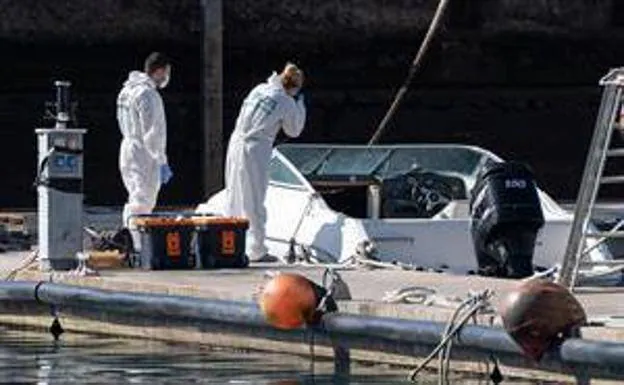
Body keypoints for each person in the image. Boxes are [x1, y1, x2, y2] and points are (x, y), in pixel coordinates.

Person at [223, 63, 307, 262]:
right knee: (254, 199)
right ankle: (256, 249)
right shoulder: (286, 101)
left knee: (234, 194)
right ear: (294, 87)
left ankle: (230, 243)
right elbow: (293, 131)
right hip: (256, 148)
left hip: (236, 143)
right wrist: (300, 106)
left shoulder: (259, 89)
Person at [116, 52, 173, 251]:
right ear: (158, 71)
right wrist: (161, 160)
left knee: (135, 195)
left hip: (128, 147)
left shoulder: (127, 90)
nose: (166, 77)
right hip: (143, 152)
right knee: (143, 199)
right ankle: (138, 246)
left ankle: (129, 241)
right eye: (166, 72)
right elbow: (152, 132)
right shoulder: (147, 94)